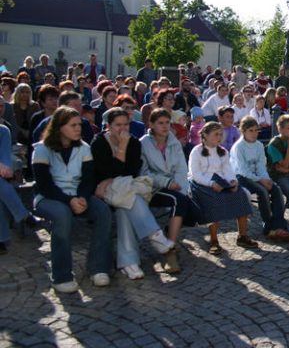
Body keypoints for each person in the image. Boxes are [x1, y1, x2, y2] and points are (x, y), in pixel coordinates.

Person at [32, 107, 112, 293]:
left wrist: (82, 197)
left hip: (78, 195)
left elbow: (87, 179)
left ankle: (98, 267)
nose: (78, 128)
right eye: (73, 125)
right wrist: (69, 201)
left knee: (103, 212)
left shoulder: (84, 148)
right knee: (62, 215)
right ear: (60, 127)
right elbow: (44, 185)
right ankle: (62, 275)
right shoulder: (42, 149)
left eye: (79, 125)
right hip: (49, 197)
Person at [90, 107, 176, 280]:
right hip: (104, 192)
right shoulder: (99, 143)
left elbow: (130, 171)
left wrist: (111, 178)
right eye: (118, 125)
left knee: (125, 206)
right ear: (109, 126)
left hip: (123, 189)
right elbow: (105, 172)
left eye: (126, 125)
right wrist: (121, 147)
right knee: (129, 197)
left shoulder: (134, 143)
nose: (122, 129)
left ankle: (129, 262)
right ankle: (154, 235)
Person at [140, 108, 204, 273]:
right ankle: (169, 251)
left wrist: (180, 186)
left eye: (167, 122)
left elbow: (181, 168)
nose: (165, 126)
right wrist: (167, 182)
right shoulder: (144, 144)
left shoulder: (173, 141)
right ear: (152, 124)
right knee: (179, 201)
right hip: (152, 188)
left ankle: (171, 242)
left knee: (182, 200)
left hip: (175, 186)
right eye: (160, 123)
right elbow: (144, 173)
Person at [188, 122, 258, 254]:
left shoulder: (223, 151)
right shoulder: (196, 152)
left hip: (221, 181)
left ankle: (242, 236)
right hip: (202, 183)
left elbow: (228, 171)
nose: (219, 137)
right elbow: (195, 174)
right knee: (213, 200)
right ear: (205, 135)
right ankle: (214, 240)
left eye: (221, 134)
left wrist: (232, 181)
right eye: (216, 134)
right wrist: (210, 184)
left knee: (241, 195)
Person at [230, 116, 289, 242]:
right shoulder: (239, 147)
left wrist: (266, 179)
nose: (254, 134)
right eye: (250, 131)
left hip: (257, 176)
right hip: (242, 177)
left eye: (256, 130)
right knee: (262, 191)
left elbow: (261, 165)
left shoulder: (259, 145)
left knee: (276, 190)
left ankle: (279, 225)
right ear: (243, 131)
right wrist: (260, 181)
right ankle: (268, 226)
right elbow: (243, 170)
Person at [0, 122, 36, 254]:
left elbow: (4, 154)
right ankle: (22, 214)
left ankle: (2, 240)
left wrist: (4, 166)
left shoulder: (2, 130)